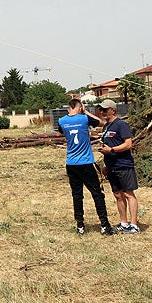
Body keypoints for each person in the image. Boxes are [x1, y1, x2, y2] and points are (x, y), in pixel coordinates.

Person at [58, 98, 114, 235]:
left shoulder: (62, 121)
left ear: (68, 108)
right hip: (86, 162)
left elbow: (61, 132)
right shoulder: (84, 119)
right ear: (80, 107)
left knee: (77, 195)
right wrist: (86, 112)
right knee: (97, 193)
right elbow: (101, 122)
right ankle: (104, 225)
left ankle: (80, 225)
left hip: (71, 163)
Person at [98, 99, 141, 235]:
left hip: (123, 165)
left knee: (128, 194)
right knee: (118, 194)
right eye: (101, 110)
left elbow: (128, 144)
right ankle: (123, 223)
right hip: (111, 166)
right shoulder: (106, 127)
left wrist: (112, 150)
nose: (102, 112)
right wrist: (106, 164)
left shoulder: (121, 124)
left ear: (113, 110)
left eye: (105, 109)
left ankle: (134, 225)